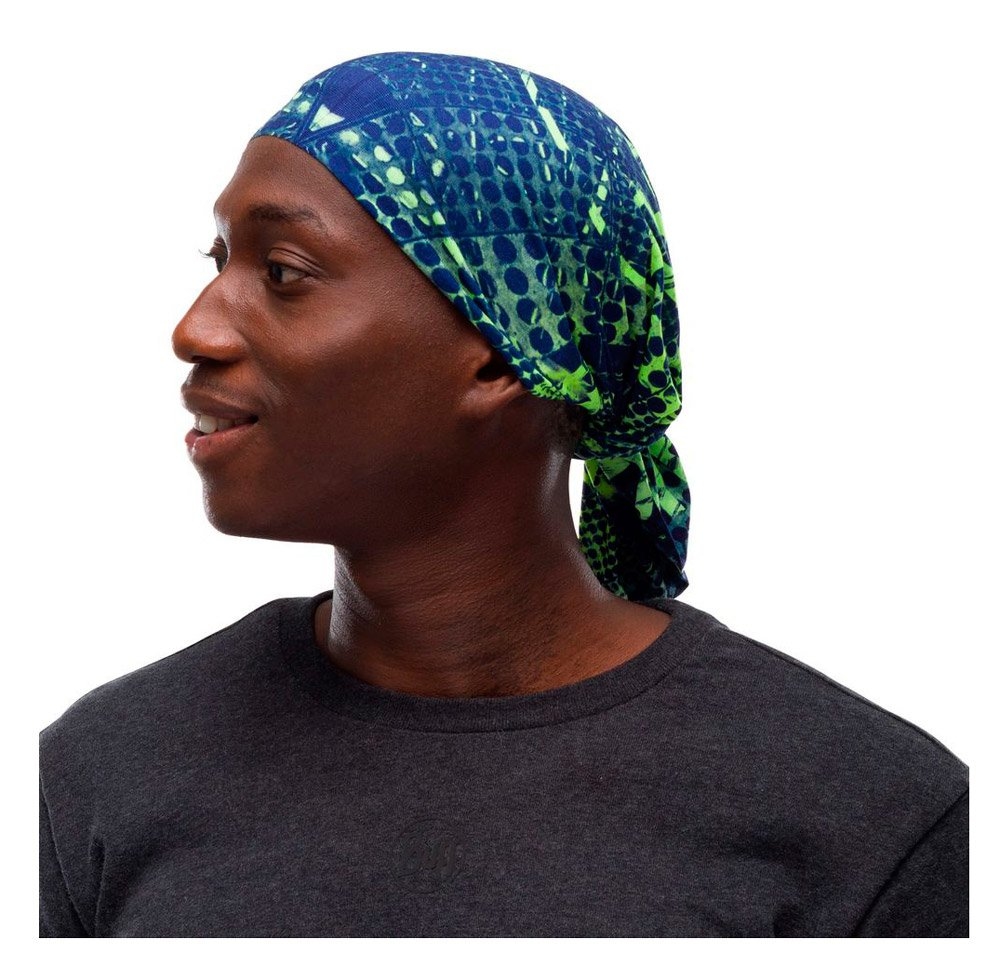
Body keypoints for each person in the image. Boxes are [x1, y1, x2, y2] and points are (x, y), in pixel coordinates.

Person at [38, 51, 968, 938]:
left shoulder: (870, 813)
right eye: (218, 264)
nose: (194, 330)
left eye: (283, 273)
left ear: (500, 349)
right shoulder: (103, 768)